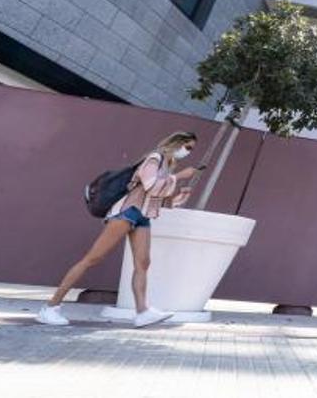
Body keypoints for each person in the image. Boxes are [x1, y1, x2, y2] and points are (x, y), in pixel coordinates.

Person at [37, 131, 201, 328]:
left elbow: (158, 199)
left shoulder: (168, 165)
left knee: (143, 263)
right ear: (176, 143)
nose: (187, 152)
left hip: (143, 216)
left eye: (190, 149)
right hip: (127, 212)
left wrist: (179, 197)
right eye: (187, 147)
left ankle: (143, 312)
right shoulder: (154, 158)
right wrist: (179, 177)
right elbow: (150, 186)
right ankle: (50, 307)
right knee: (92, 259)